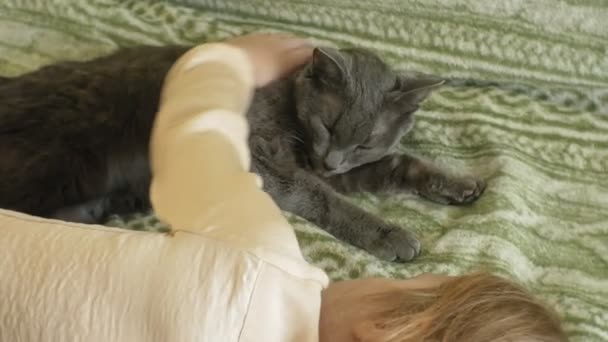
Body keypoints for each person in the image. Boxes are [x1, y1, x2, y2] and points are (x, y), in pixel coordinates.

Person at [0, 34, 567, 342]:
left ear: (378, 330)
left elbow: (194, 128)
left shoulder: (257, 260)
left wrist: (229, 58)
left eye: (415, 279)